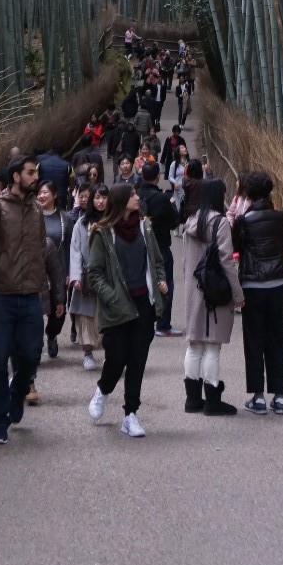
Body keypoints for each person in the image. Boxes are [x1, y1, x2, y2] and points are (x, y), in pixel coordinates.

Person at [0, 153, 49, 444]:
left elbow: (41, 250)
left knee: (31, 355)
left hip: (30, 296)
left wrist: (44, 287)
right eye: (30, 173)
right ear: (16, 176)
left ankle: (17, 392)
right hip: (1, 296)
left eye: (35, 173)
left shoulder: (36, 211)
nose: (35, 177)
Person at [84, 184, 167, 438]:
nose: (137, 198)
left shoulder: (145, 227)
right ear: (121, 200)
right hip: (117, 307)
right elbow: (94, 273)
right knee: (117, 358)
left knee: (137, 360)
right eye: (132, 195)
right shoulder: (103, 233)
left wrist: (160, 280)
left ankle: (130, 414)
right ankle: (103, 389)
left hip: (144, 304)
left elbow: (156, 261)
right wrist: (111, 296)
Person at [181, 177, 244, 415]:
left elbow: (186, 261)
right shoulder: (220, 223)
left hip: (193, 289)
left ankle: (192, 400)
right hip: (214, 291)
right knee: (212, 347)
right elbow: (227, 261)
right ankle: (213, 401)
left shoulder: (190, 221)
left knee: (194, 344)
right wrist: (238, 293)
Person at [232, 168, 283, 414]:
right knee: (278, 338)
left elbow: (237, 247)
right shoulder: (281, 217)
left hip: (253, 285)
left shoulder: (243, 221)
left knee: (254, 339)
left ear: (248, 192)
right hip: (278, 282)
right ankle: (279, 397)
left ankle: (257, 397)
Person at [138, 160, 182, 335]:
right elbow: (175, 221)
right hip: (160, 246)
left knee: (140, 284)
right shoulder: (162, 198)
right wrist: (171, 204)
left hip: (138, 248)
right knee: (165, 284)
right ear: (158, 177)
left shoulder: (135, 195)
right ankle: (163, 325)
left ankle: (142, 322)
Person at [68, 183, 107, 369]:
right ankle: (87, 353)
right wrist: (75, 276)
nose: (100, 201)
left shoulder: (114, 221)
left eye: (104, 197)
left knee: (108, 316)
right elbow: (75, 250)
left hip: (109, 276)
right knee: (85, 317)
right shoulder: (82, 223)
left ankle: (110, 352)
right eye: (97, 198)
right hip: (86, 276)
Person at [35, 180, 72, 371]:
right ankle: (36, 345)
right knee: (36, 311)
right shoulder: (31, 216)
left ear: (55, 195)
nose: (42, 196)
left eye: (45, 193)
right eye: (39, 193)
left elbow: (69, 247)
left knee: (58, 312)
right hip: (38, 272)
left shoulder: (65, 219)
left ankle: (52, 334)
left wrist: (69, 271)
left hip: (59, 271)